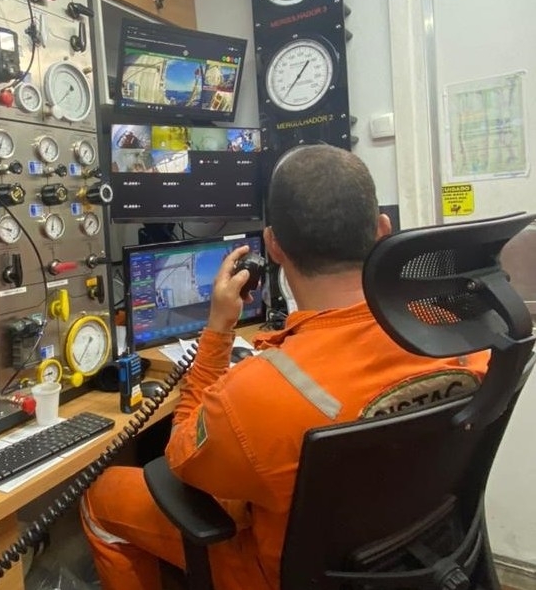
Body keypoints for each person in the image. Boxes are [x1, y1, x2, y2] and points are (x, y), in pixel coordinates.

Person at [81, 145, 487, 590]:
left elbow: (182, 458)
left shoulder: (256, 395)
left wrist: (217, 331)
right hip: (414, 554)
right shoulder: (463, 343)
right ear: (382, 230)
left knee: (101, 496)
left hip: (280, 574)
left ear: (273, 245)